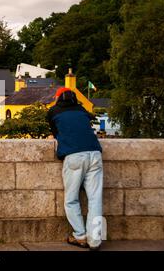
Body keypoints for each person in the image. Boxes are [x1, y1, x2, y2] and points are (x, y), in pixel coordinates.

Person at [47, 87, 104, 250]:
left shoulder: (53, 111)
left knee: (71, 199)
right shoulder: (81, 110)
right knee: (95, 199)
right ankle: (95, 241)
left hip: (74, 156)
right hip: (94, 153)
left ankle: (80, 236)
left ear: (58, 98)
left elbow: (57, 133)